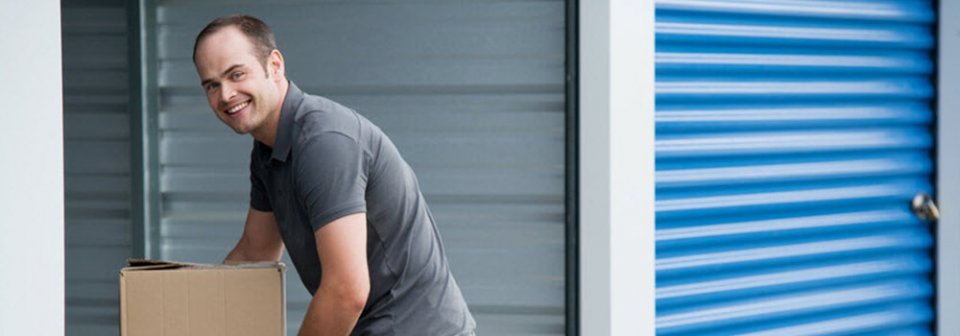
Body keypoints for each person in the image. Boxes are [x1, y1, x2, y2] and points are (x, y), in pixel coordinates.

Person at [192, 14, 476, 336]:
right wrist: (190, 309)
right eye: (212, 85)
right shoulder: (267, 150)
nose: (226, 94)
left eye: (237, 74)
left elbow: (346, 291)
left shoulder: (322, 142)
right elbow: (255, 252)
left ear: (274, 65)